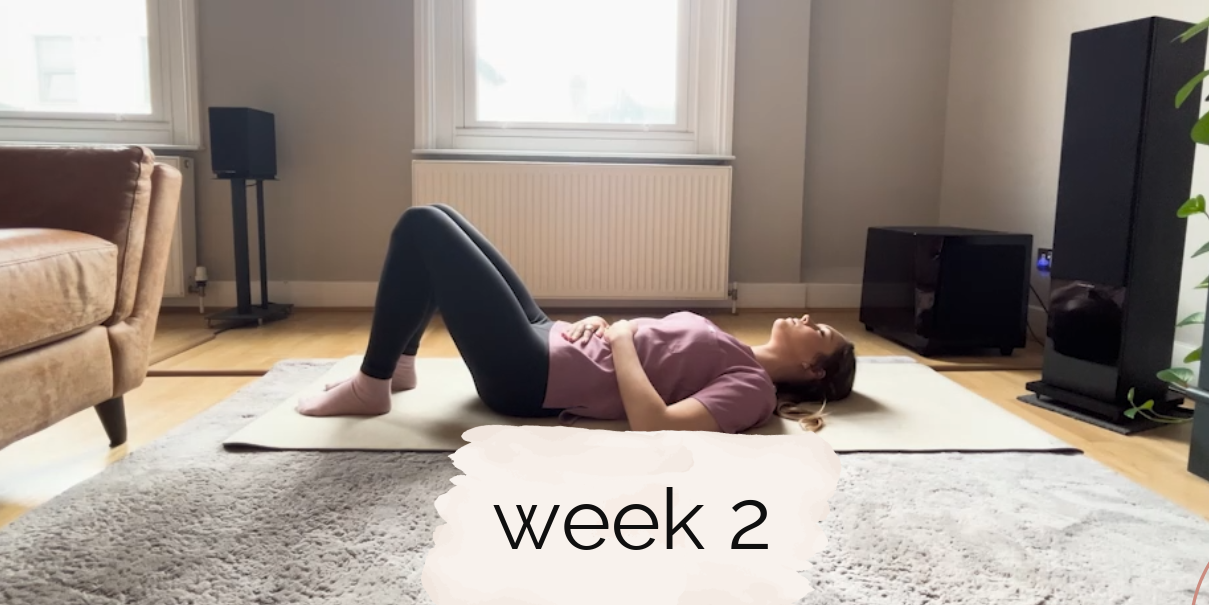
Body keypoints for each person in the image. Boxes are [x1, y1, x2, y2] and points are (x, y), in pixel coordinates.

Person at [297, 204, 859, 433]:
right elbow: (647, 344)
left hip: (529, 376)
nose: (810, 317)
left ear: (813, 369)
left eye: (821, 332)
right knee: (443, 216)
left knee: (422, 226)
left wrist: (618, 340)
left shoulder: (753, 390)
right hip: (553, 337)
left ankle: (372, 384)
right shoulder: (733, 347)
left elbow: (655, 424)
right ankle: (400, 365)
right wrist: (602, 323)